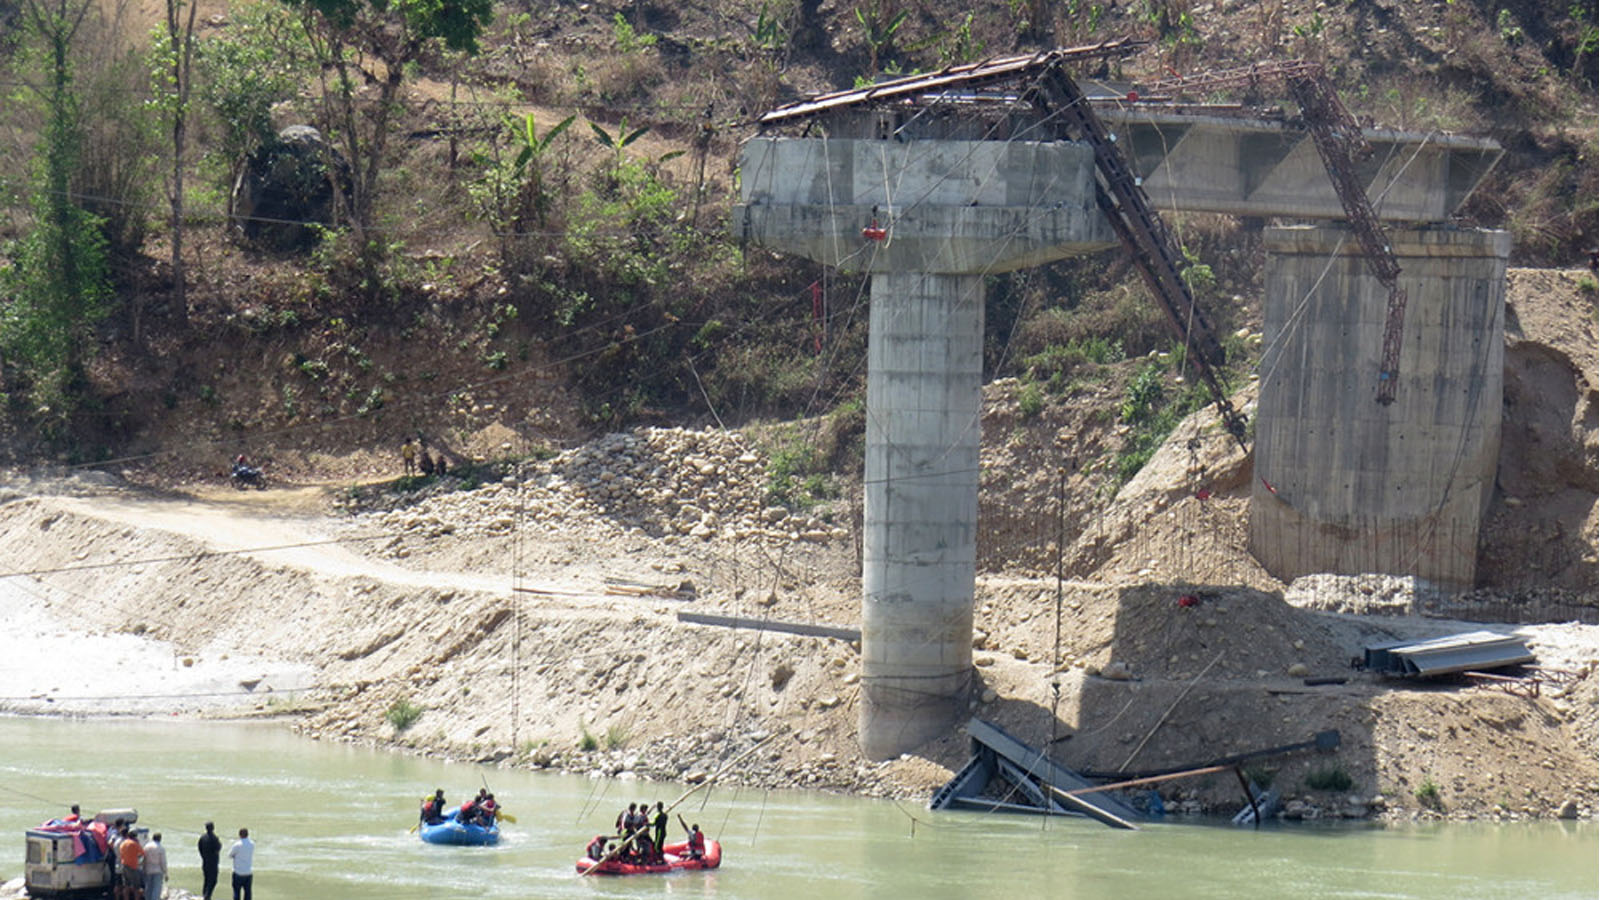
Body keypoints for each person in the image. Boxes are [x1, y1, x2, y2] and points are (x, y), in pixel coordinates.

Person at [116, 828, 144, 900]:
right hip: (133, 866)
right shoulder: (134, 844)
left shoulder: (123, 843)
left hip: (124, 866)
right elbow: (142, 853)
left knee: (126, 886)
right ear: (135, 836)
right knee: (136, 887)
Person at [198, 821, 222, 900]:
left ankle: (205, 894)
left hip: (205, 861)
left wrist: (203, 856)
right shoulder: (214, 838)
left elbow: (200, 848)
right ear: (213, 828)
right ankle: (207, 896)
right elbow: (218, 848)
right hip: (213, 863)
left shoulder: (202, 838)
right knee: (213, 881)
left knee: (206, 879)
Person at [229, 827, 253, 900]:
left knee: (236, 892)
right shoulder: (252, 844)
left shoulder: (237, 845)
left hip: (238, 872)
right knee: (248, 893)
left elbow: (230, 855)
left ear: (240, 835)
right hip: (248, 872)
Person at [142, 832, 167, 900]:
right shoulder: (161, 848)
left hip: (148, 869)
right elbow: (163, 862)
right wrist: (165, 873)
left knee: (148, 888)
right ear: (160, 839)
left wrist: (143, 869)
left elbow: (144, 859)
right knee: (156, 889)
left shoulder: (146, 846)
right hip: (157, 870)